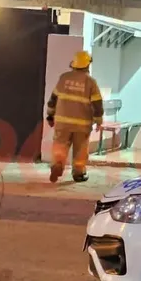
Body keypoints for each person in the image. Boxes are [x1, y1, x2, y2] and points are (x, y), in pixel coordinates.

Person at [45, 50, 103, 183]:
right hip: (82, 124)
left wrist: (50, 116)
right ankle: (79, 173)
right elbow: (97, 104)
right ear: (88, 65)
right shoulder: (90, 82)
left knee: (60, 144)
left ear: (74, 64)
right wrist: (98, 120)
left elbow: (53, 98)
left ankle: (57, 165)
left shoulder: (64, 78)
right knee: (80, 149)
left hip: (62, 122)